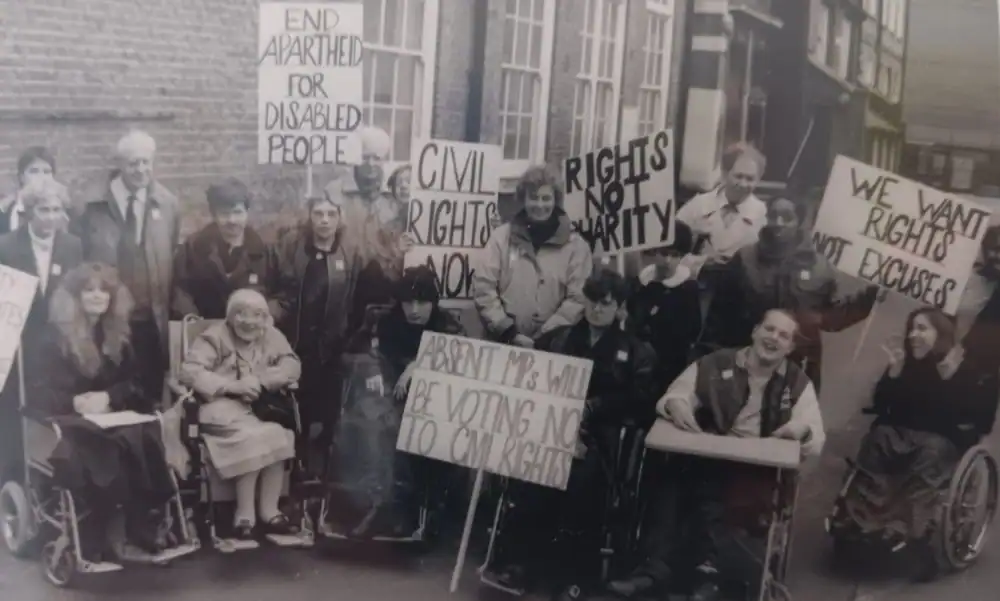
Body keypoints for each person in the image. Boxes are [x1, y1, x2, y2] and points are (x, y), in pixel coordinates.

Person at [609, 309, 825, 601]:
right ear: (755, 331)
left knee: (732, 494)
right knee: (669, 483)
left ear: (790, 348)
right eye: (769, 329)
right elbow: (677, 393)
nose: (774, 338)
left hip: (756, 467)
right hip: (707, 453)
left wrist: (799, 430)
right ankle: (651, 572)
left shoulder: (798, 384)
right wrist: (677, 405)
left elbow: (815, 435)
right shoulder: (715, 363)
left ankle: (709, 577)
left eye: (783, 335)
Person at [485, 269, 657, 601]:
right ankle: (519, 564)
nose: (597, 310)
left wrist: (593, 407)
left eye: (606, 304)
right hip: (553, 427)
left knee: (583, 481)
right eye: (592, 302)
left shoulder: (635, 351)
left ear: (619, 307)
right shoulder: (560, 338)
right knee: (531, 472)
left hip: (600, 438)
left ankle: (573, 577)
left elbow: (639, 399)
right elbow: (535, 379)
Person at [25, 263, 178, 565]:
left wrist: (108, 396)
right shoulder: (53, 339)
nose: (98, 297)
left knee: (143, 436)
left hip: (111, 415)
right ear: (74, 296)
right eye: (89, 290)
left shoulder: (120, 333)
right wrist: (77, 403)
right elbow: (39, 391)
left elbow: (135, 383)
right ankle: (108, 533)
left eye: (104, 291)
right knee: (104, 447)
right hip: (68, 420)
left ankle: (140, 524)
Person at [836, 308, 996, 560]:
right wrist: (894, 372)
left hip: (940, 440)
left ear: (941, 334)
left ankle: (905, 526)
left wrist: (952, 379)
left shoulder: (967, 369)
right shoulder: (907, 363)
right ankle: (861, 519)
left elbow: (978, 421)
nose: (913, 335)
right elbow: (881, 404)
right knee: (879, 437)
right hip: (898, 434)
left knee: (929, 451)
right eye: (911, 328)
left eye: (922, 328)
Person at [331, 265, 465, 538]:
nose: (414, 309)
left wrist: (420, 364)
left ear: (433, 302)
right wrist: (371, 366)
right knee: (366, 426)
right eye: (408, 302)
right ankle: (365, 505)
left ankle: (396, 508)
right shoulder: (380, 321)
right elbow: (348, 356)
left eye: (422, 302)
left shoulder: (448, 326)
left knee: (400, 429)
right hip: (380, 398)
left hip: (427, 403)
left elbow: (461, 362)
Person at [700, 193, 878, 389]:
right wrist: (711, 363)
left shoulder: (819, 268)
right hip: (745, 366)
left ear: (799, 221)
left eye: (787, 217)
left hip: (794, 373)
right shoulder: (745, 259)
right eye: (773, 216)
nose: (778, 222)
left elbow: (833, 318)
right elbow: (719, 316)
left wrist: (870, 298)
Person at [179, 289, 300, 541]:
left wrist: (263, 380)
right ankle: (245, 514)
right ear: (231, 317)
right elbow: (190, 372)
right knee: (253, 435)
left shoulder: (271, 335)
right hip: (219, 407)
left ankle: (269, 510)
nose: (249, 322)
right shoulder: (214, 337)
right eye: (241, 315)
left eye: (257, 316)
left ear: (265, 318)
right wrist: (231, 386)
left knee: (278, 432)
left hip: (256, 408)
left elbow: (292, 365)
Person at [77, 130, 180, 402]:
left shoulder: (167, 204)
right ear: (120, 164)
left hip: (150, 320)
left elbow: (172, 250)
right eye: (134, 163)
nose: (141, 170)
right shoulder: (92, 206)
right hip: (108, 319)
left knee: (150, 394)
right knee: (111, 394)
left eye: (146, 162)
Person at [0, 179, 82, 482]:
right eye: (43, 209)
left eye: (56, 210)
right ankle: (13, 479)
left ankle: (51, 479)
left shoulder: (73, 245)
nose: (50, 217)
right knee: (14, 413)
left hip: (57, 346)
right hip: (19, 345)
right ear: (29, 211)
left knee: (52, 411)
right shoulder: (6, 246)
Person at [273, 192, 363, 459]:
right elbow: (283, 288)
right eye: (318, 214)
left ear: (339, 219)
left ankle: (322, 466)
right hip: (297, 342)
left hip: (332, 346)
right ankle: (296, 461)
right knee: (298, 407)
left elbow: (359, 294)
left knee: (329, 409)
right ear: (310, 218)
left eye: (331, 214)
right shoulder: (294, 248)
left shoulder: (349, 253)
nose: (325, 220)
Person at [473, 165, 592, 346]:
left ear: (555, 200)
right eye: (533, 198)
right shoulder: (501, 237)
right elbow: (484, 286)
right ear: (523, 200)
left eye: (546, 198)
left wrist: (546, 335)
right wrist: (507, 331)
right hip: (503, 342)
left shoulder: (576, 245)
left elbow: (578, 297)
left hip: (555, 346)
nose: (540, 205)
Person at [324, 127, 412, 334]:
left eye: (377, 158)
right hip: (343, 291)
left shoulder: (395, 197)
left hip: (385, 293)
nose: (371, 164)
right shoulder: (335, 194)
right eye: (365, 157)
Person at [172, 177, 281, 320]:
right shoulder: (193, 248)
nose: (232, 220)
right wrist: (190, 316)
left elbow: (283, 293)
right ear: (214, 215)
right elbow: (180, 289)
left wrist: (268, 314)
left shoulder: (267, 251)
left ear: (247, 213)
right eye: (224, 213)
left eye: (237, 212)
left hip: (252, 331)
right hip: (205, 332)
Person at [627, 220, 702, 393]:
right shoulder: (640, 283)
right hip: (637, 362)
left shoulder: (687, 289)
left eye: (675, 255)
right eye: (664, 253)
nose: (668, 260)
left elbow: (691, 330)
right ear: (655, 252)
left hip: (668, 365)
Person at [676, 143, 767, 280]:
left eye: (750, 179)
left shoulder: (762, 215)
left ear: (758, 180)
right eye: (738, 176)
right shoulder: (698, 205)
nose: (743, 184)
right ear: (724, 173)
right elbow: (670, 248)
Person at [0, 146, 58, 234]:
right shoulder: (5, 211)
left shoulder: (68, 213)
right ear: (21, 177)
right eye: (34, 171)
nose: (41, 177)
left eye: (46, 172)